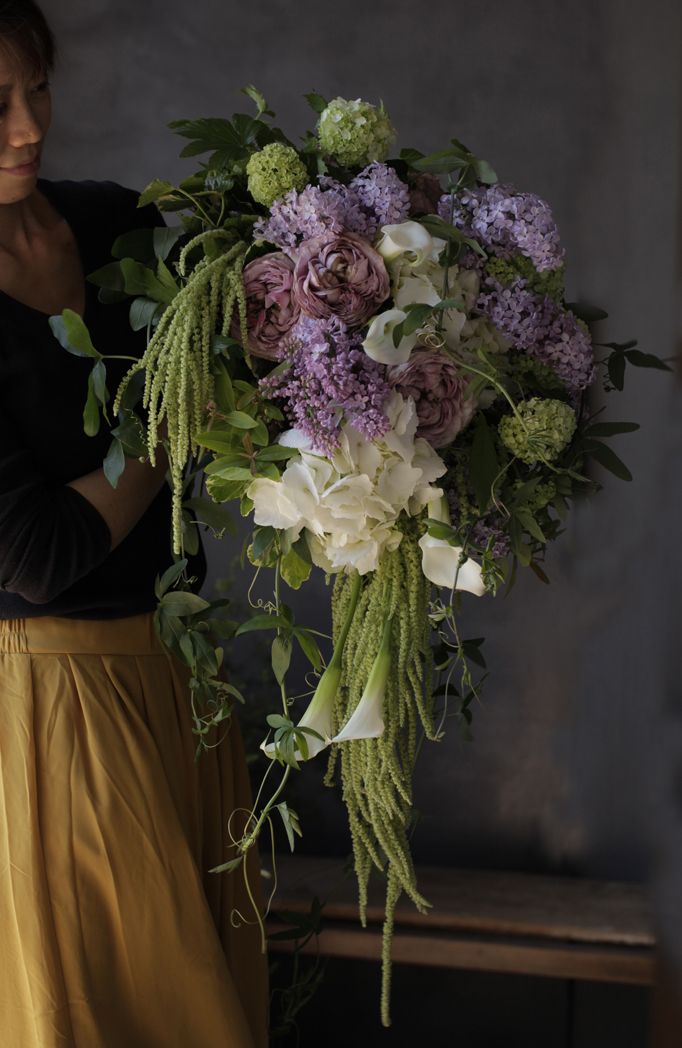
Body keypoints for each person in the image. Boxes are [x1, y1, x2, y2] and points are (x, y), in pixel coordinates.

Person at [0, 3, 268, 1045]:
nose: (26, 129)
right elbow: (38, 553)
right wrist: (172, 423)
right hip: (53, 706)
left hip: (181, 681)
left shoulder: (119, 225)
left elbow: (249, 375)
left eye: (37, 92)